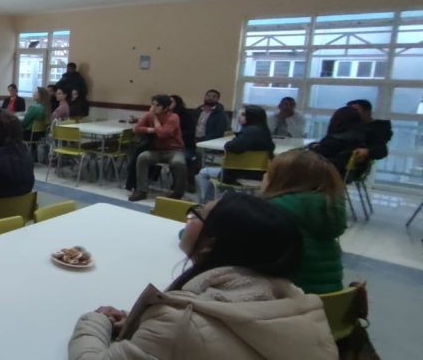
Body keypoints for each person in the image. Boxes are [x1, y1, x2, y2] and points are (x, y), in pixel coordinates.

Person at [69, 193, 337, 360]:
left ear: (210, 243)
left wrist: (97, 319)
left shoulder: (178, 323)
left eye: (197, 213)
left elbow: (184, 333)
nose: (189, 217)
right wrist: (137, 324)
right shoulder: (299, 304)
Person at [261, 151, 348, 294]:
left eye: (269, 173)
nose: (264, 176)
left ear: (283, 181)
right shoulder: (329, 211)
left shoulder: (274, 212)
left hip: (289, 300)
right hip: (329, 301)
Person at [195, 106, 275, 203]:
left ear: (252, 116)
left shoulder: (248, 132)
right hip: (259, 174)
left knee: (203, 172)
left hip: (239, 174)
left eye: (243, 114)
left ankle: (207, 202)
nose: (240, 117)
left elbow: (231, 147)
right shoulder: (265, 132)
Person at [129, 95, 186, 202]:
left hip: (174, 150)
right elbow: (136, 129)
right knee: (142, 157)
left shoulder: (173, 117)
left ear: (166, 108)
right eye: (152, 104)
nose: (153, 107)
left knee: (179, 163)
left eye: (157, 105)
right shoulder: (148, 115)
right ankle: (141, 190)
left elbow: (162, 134)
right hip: (156, 150)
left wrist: (155, 119)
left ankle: (178, 193)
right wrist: (151, 129)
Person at [311, 106, 366, 178]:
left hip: (324, 174)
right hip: (343, 175)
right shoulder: (359, 137)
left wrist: (312, 146)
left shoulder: (334, 140)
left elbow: (318, 153)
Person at [347, 99, 393, 165]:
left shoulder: (377, 129)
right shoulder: (349, 125)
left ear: (367, 112)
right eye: (348, 111)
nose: (351, 113)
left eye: (355, 110)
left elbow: (382, 150)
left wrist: (367, 152)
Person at [170, 94, 198, 190]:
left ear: (177, 103)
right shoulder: (164, 114)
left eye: (171, 102)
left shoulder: (186, 115)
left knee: (186, 158)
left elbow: (189, 132)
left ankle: (190, 182)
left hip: (186, 145)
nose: (168, 104)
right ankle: (176, 183)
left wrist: (175, 135)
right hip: (169, 146)